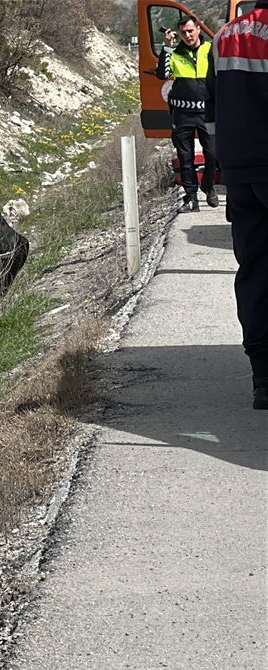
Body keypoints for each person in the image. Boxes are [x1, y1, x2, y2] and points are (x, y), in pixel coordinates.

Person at [206, 1, 268, 408]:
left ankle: (263, 377)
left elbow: (212, 113)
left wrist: (222, 161)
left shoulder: (224, 37)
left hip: (241, 169)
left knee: (255, 265)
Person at [157, 16, 218, 213]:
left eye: (191, 31)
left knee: (213, 154)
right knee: (186, 158)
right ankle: (191, 197)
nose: (188, 35)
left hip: (207, 111)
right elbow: (163, 74)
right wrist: (167, 47)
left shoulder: (210, 49)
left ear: (199, 30)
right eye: (183, 32)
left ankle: (208, 186)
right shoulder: (175, 53)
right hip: (182, 113)